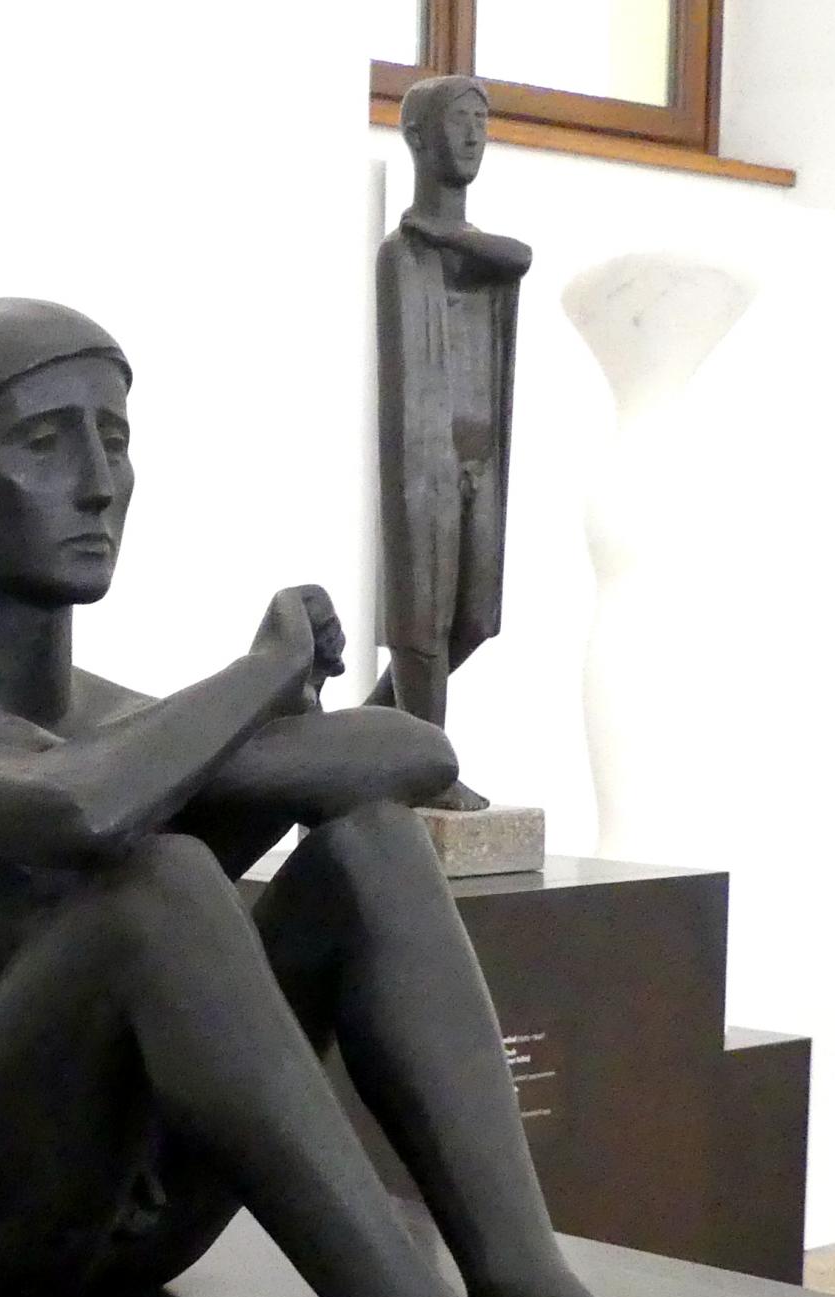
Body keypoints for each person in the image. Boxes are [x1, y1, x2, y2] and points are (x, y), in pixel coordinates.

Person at [0, 297, 726, 1297]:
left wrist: (179, 742)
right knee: (159, 881)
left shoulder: (128, 729)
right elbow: (81, 812)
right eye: (43, 442)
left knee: (368, 845)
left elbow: (406, 757)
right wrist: (263, 676)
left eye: (114, 439)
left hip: (154, 1211)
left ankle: (519, 1271)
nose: (98, 485)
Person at [369, 76, 533, 810]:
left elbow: (519, 255)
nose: (473, 136)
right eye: (459, 120)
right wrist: (434, 236)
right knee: (422, 622)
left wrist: (449, 235)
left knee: (473, 620)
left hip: (481, 456)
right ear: (416, 137)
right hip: (424, 463)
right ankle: (426, 768)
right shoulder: (402, 256)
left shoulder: (476, 255)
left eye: (481, 122)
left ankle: (369, 731)